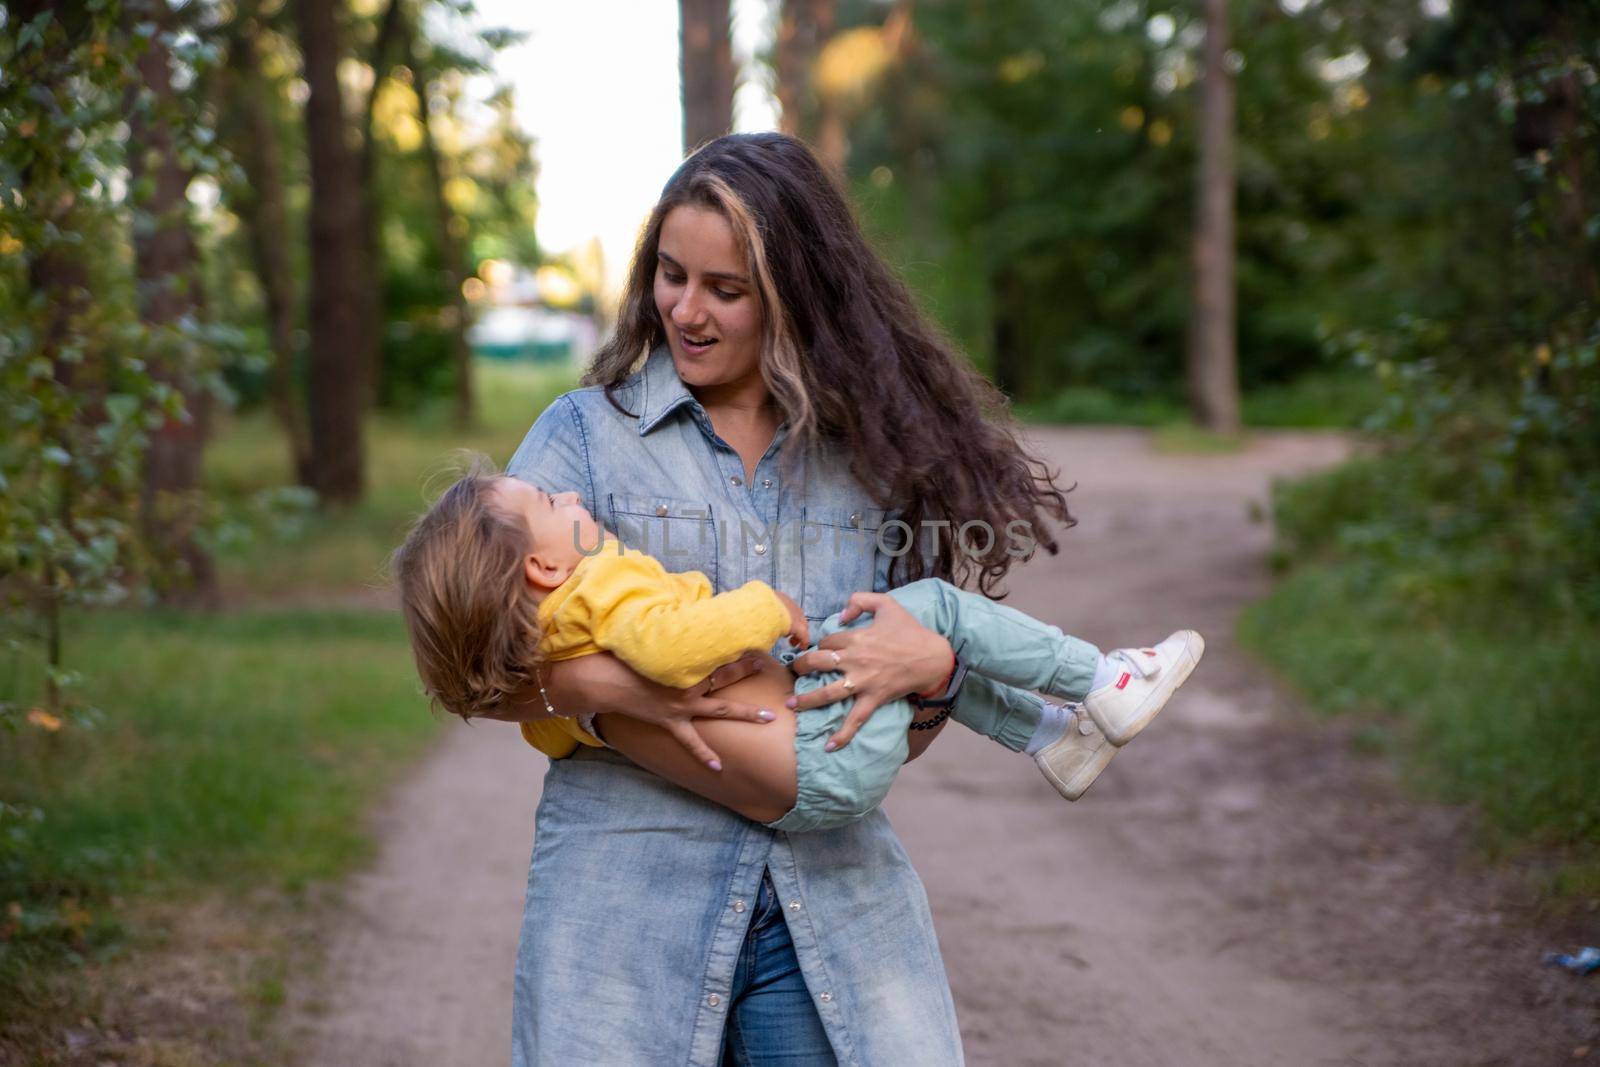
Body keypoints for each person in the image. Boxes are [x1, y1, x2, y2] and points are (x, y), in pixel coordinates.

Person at [494, 131, 1124, 1066]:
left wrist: (940, 674)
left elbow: (890, 738)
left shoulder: (877, 454)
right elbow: (481, 671)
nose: (686, 310)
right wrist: (632, 694)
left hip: (826, 909)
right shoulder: (582, 439)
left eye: (726, 289)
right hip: (624, 910)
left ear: (795, 293)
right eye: (670, 275)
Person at [394, 466, 1204, 826]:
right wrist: (763, 606)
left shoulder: (560, 637)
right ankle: (1104, 674)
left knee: (915, 641)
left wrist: (594, 694)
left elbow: (543, 719)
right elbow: (673, 647)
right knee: (929, 606)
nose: (570, 492)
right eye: (549, 497)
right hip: (823, 753)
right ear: (541, 564)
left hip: (812, 772)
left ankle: (1053, 735)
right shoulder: (599, 588)